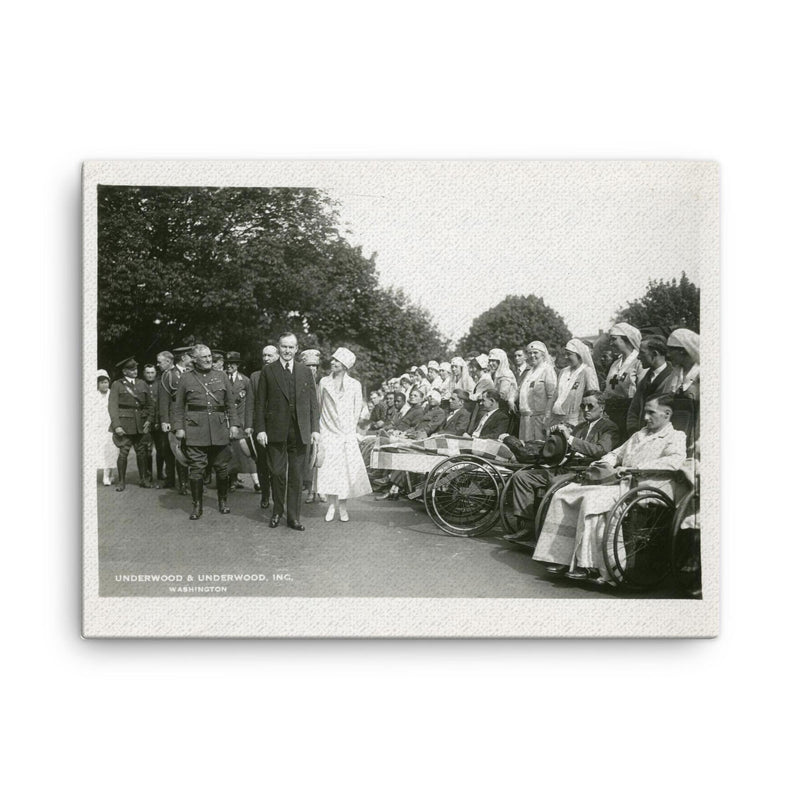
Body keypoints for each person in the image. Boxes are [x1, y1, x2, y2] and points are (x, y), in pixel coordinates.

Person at [534, 394, 687, 583]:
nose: (645, 417)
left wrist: (634, 469)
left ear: (667, 413)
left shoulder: (675, 436)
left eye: (650, 413)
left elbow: (674, 462)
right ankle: (559, 556)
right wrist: (603, 463)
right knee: (563, 493)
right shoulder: (639, 434)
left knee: (592, 501)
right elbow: (615, 454)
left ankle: (588, 563)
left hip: (645, 486)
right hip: (621, 482)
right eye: (645, 412)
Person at [503, 390, 620, 542]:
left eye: (590, 406)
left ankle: (549, 533)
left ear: (602, 407)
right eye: (582, 406)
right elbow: (564, 446)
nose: (585, 410)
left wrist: (570, 438)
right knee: (522, 477)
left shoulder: (609, 428)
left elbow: (600, 451)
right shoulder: (580, 427)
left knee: (554, 483)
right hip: (564, 468)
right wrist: (555, 437)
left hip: (584, 471)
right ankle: (528, 525)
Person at [254, 332, 320, 531]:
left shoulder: (304, 371)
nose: (288, 351)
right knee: (276, 473)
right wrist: (260, 429)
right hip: (275, 431)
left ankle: (293, 517)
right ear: (279, 347)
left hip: (300, 431)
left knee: (297, 476)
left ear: (297, 349)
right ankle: (277, 512)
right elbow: (259, 403)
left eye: (291, 347)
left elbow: (313, 404)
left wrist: (315, 429)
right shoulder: (269, 371)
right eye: (284, 347)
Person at [173, 344, 239, 520]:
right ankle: (197, 506)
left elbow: (230, 404)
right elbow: (178, 406)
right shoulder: (186, 378)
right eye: (204, 357)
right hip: (195, 429)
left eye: (210, 356)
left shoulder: (221, 376)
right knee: (196, 469)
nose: (209, 360)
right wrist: (179, 428)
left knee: (222, 468)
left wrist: (234, 425)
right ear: (195, 359)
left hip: (219, 429)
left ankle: (223, 502)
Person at [315, 347, 373, 522]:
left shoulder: (354, 385)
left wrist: (349, 431)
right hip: (328, 432)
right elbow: (319, 407)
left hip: (345, 434)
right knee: (329, 470)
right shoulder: (324, 382)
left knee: (345, 471)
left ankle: (343, 506)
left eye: (337, 361)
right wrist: (321, 430)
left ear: (345, 365)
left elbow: (357, 410)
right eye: (333, 360)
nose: (332, 363)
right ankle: (331, 506)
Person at [107, 356, 154, 492]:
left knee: (142, 453)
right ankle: (121, 482)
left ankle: (143, 479)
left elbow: (151, 405)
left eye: (135, 368)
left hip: (140, 423)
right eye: (131, 369)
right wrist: (117, 425)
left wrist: (149, 420)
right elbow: (112, 407)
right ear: (124, 371)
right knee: (123, 453)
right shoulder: (117, 385)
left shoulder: (142, 383)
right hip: (124, 424)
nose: (134, 371)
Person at [248, 344, 279, 509]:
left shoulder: (283, 374)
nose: (266, 359)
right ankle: (265, 495)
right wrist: (250, 425)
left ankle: (278, 495)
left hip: (278, 426)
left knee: (278, 463)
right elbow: (251, 402)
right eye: (264, 356)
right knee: (262, 463)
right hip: (260, 426)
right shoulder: (255, 376)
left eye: (270, 356)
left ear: (277, 356)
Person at [157, 348, 191, 494]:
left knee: (191, 449)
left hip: (191, 418)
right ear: (184, 357)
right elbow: (164, 400)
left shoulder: (191, 372)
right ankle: (182, 484)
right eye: (191, 356)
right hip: (175, 419)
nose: (193, 359)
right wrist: (165, 420)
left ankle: (191, 481)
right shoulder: (169, 375)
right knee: (178, 450)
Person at [626, 336, 674, 436]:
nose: (638, 357)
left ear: (654, 354)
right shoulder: (645, 379)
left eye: (642, 353)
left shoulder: (673, 379)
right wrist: (634, 432)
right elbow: (633, 409)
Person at [225, 351, 257, 492]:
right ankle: (232, 480)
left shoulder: (245, 381)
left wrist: (248, 423)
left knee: (246, 451)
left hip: (241, 421)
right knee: (229, 452)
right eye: (227, 363)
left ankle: (256, 482)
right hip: (226, 421)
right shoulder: (221, 378)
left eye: (232, 363)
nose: (229, 366)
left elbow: (250, 403)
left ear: (237, 365)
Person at [602, 322, 643, 433]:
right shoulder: (615, 364)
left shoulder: (639, 362)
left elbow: (642, 393)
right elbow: (608, 389)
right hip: (611, 414)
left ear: (627, 339)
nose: (611, 343)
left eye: (614, 339)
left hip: (629, 414)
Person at [550, 339, 599, 427]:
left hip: (577, 421)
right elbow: (555, 395)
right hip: (557, 419)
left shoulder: (587, 372)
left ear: (579, 355)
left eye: (569, 354)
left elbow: (593, 397)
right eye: (565, 354)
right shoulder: (563, 372)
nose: (566, 357)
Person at [520, 341, 557, 441]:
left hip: (540, 419)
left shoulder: (547, 370)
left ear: (543, 354)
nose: (532, 356)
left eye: (535, 352)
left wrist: (548, 417)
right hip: (525, 420)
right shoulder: (529, 372)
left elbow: (552, 396)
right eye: (530, 353)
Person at [94, 369, 117, 485]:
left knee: (111, 450)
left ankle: (110, 474)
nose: (104, 385)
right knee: (101, 451)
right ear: (97, 384)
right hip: (98, 427)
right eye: (102, 382)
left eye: (106, 382)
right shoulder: (93, 395)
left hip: (110, 426)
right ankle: (105, 475)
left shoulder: (112, 394)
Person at [665, 328, 700, 400]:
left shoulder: (700, 374)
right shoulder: (674, 374)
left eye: (671, 350)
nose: (668, 354)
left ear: (683, 351)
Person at [141, 363, 159, 484]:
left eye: (152, 372)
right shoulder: (140, 385)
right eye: (148, 373)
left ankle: (161, 473)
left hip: (159, 421)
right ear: (144, 373)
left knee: (161, 449)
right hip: (146, 422)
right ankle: (147, 475)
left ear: (155, 373)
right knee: (147, 449)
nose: (150, 375)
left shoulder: (160, 384)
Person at [488, 348, 518, 412]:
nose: (490, 363)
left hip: (505, 407)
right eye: (490, 361)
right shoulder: (496, 373)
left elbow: (502, 394)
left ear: (500, 361)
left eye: (493, 361)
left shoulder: (505, 373)